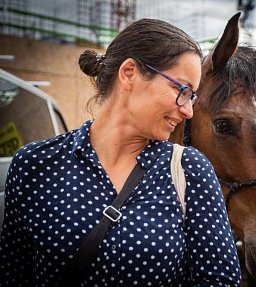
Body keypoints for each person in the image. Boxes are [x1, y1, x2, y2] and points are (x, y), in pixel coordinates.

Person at [0, 18, 241, 286]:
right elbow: (13, 275)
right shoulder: (34, 165)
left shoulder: (189, 170)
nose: (188, 110)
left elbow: (220, 281)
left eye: (191, 96)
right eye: (181, 90)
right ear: (129, 73)